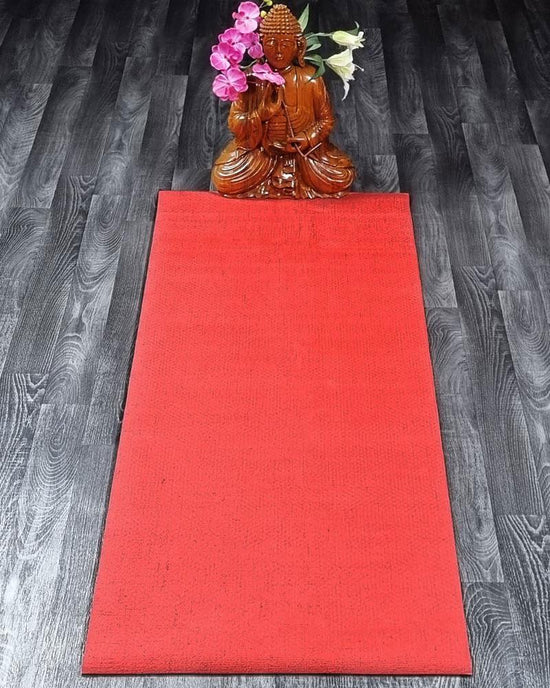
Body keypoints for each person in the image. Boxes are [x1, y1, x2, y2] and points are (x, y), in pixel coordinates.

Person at [211, 4, 356, 199]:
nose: (278, 51)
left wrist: (306, 138)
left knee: (341, 176)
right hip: (262, 153)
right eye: (271, 44)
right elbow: (235, 123)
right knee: (223, 178)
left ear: (299, 47)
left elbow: (326, 120)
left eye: (286, 45)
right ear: (260, 46)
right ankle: (280, 179)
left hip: (303, 154)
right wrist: (261, 115)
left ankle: (289, 178)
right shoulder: (251, 79)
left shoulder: (310, 78)